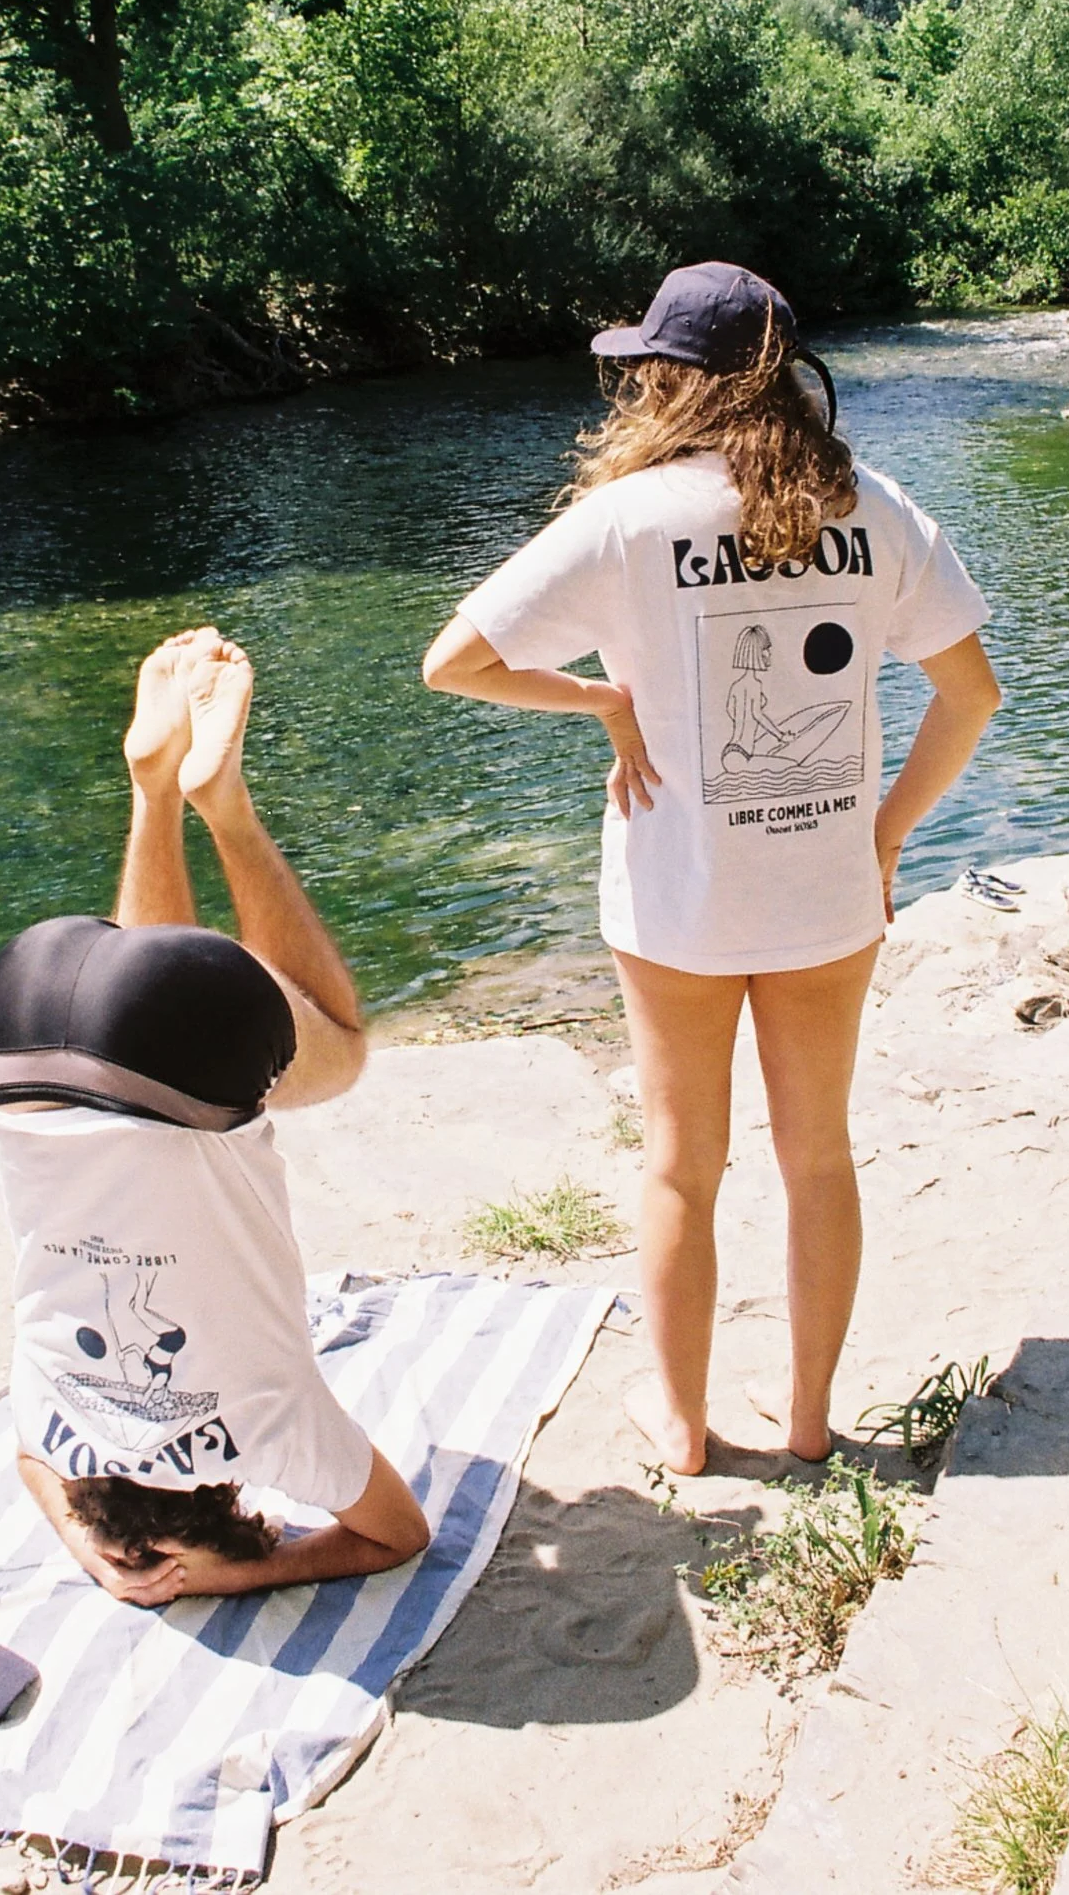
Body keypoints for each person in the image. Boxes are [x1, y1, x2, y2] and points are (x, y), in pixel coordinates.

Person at [423, 262, 1001, 1475]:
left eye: (646, 368)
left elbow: (454, 663)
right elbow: (972, 694)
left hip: (677, 898)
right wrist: (886, 834)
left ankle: (681, 1427)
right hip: (828, 894)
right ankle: (806, 1425)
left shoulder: (628, 520)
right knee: (821, 1158)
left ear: (674, 381)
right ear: (786, 377)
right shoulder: (875, 506)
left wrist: (598, 701)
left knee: (683, 1165)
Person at [0, 626, 430, 1603]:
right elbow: (28, 1465)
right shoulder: (52, 1420)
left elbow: (390, 1534)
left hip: (166, 1067)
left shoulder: (272, 1431)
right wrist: (96, 1553)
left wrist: (218, 1576)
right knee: (147, 1003)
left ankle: (224, 806)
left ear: (218, 1499)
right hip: (10, 1032)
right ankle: (151, 790)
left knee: (333, 1047)